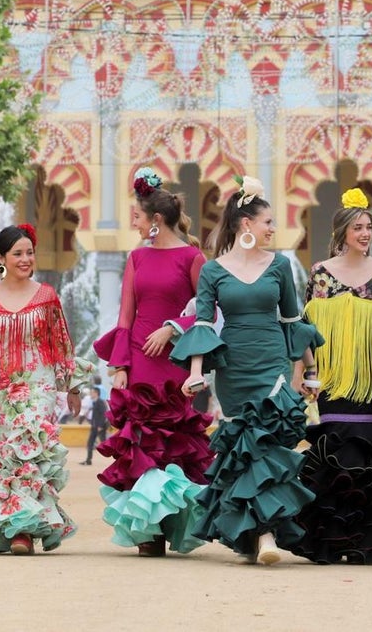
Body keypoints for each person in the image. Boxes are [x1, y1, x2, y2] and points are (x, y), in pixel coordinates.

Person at [171, 175, 323, 566]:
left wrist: (309, 371)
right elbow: (203, 326)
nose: (273, 229)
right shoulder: (213, 271)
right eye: (268, 221)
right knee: (244, 449)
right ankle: (256, 534)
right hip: (234, 366)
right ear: (246, 224)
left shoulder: (280, 266)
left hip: (272, 361)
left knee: (268, 445)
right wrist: (196, 373)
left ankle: (267, 533)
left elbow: (293, 320)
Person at [288, 187, 372, 565]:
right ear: (342, 232)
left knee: (366, 452)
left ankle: (368, 540)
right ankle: (335, 539)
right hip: (333, 382)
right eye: (359, 227)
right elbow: (306, 332)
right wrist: (302, 374)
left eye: (369, 227)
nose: (365, 233)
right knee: (336, 449)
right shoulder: (320, 274)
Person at [0, 224, 91, 555]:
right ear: (1, 258)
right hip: (0, 389)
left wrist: (72, 387)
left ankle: (23, 532)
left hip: (40, 383)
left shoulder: (47, 296)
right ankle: (11, 526)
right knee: (10, 456)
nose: (26, 259)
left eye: (30, 253)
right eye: (18, 254)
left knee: (34, 450)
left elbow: (61, 344)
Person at [93, 167, 213, 557]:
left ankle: (172, 524)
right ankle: (147, 529)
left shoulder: (193, 258)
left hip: (176, 365)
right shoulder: (137, 257)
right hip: (141, 365)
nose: (134, 223)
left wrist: (172, 328)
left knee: (175, 445)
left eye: (138, 217)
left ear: (156, 221)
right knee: (142, 442)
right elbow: (125, 317)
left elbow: (208, 312)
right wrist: (120, 367)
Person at [81, 387, 109, 466]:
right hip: (94, 426)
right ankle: (88, 460)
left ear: (96, 393)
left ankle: (88, 460)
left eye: (92, 392)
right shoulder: (96, 402)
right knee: (91, 443)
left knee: (103, 442)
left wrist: (100, 425)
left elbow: (104, 414)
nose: (91, 394)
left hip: (99, 426)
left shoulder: (100, 402)